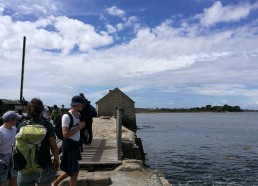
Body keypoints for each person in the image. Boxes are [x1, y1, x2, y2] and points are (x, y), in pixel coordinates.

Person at [17, 98, 59, 186]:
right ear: (42, 111)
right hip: (43, 165)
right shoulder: (47, 124)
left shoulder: (22, 125)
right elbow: (53, 145)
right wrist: (56, 159)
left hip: (25, 166)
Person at [53, 95, 85, 186]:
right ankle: (55, 182)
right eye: (81, 104)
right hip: (69, 145)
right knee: (74, 171)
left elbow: (76, 128)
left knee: (72, 170)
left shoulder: (78, 114)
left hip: (75, 144)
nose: (83, 106)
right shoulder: (66, 117)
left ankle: (55, 182)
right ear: (76, 105)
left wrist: (81, 125)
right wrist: (79, 128)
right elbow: (65, 134)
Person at [0, 111, 21, 186]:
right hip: (2, 160)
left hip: (12, 158)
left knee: (14, 177)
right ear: (11, 120)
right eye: (16, 119)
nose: (17, 121)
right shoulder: (1, 131)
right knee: (2, 180)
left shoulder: (14, 128)